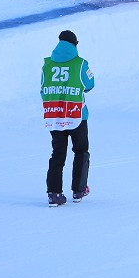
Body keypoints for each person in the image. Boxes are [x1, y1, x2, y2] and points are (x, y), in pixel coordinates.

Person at [42, 30, 96, 207]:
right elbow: (90, 85)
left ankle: (54, 194)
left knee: (57, 154)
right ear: (75, 44)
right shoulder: (80, 64)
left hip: (55, 116)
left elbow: (43, 89)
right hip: (76, 115)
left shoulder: (47, 65)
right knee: (81, 150)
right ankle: (79, 190)